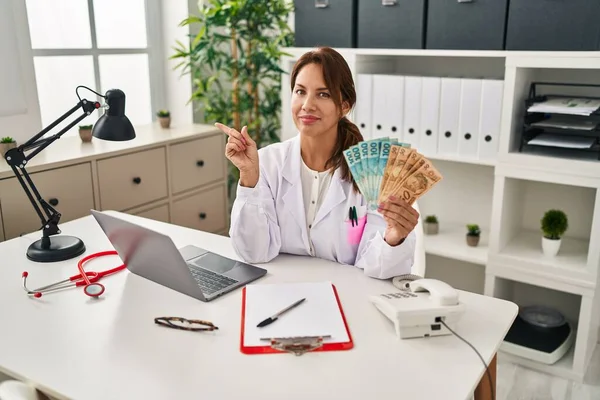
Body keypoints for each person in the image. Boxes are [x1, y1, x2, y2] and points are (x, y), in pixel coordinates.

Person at [215, 46, 419, 279]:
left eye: (323, 94)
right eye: (300, 91)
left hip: (346, 297)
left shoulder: (374, 173)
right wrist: (249, 178)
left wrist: (394, 238)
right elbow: (253, 252)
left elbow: (375, 268)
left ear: (344, 106)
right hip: (280, 292)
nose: (307, 105)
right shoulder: (268, 162)